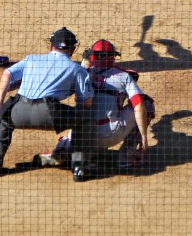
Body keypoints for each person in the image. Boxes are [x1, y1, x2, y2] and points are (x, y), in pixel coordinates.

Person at [0, 27, 96, 182]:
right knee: (85, 118)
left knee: (1, 117)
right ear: (73, 49)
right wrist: (84, 72)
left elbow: (7, 74)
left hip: (18, 111)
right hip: (50, 114)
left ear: (50, 46)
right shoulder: (77, 69)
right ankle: (80, 168)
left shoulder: (31, 59)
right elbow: (86, 103)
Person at [35, 39, 155, 171]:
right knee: (146, 104)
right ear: (113, 57)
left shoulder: (80, 73)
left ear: (92, 56)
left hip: (81, 136)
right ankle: (127, 155)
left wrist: (85, 64)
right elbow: (139, 105)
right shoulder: (123, 76)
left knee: (79, 118)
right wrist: (144, 139)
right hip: (110, 133)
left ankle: (61, 151)